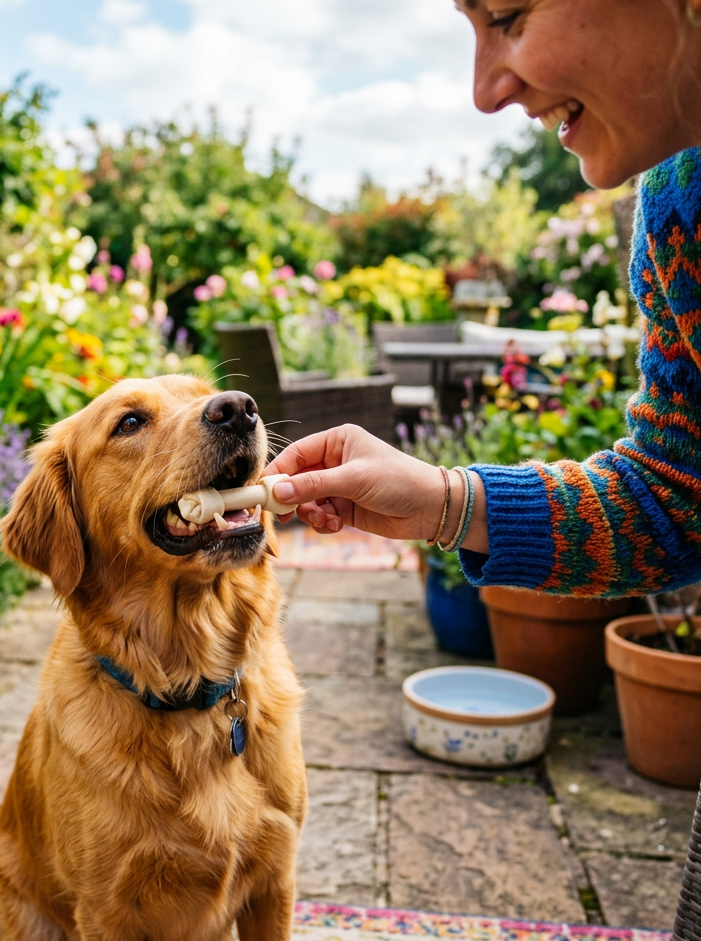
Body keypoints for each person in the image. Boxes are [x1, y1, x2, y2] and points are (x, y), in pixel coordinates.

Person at [265, 0, 701, 598]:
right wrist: (443, 502)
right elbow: (676, 497)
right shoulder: (678, 202)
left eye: (506, 17)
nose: (485, 93)